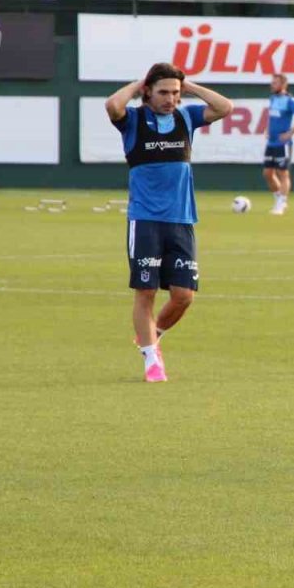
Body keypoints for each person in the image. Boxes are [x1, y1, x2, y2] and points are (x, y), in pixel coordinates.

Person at [105, 62, 233, 382]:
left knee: (183, 296)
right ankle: (151, 360)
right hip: (145, 220)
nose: (170, 99)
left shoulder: (185, 117)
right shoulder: (133, 120)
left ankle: (153, 334)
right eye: (163, 92)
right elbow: (113, 105)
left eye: (175, 93)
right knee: (145, 291)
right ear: (148, 91)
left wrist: (190, 87)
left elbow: (224, 107)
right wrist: (138, 84)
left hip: (181, 219)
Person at [262, 73, 294, 215]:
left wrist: (290, 133)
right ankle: (278, 198)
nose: (272, 85)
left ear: (283, 85)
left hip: (283, 143)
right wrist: (268, 129)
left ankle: (281, 203)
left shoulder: (289, 100)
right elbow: (272, 117)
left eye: (275, 83)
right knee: (268, 173)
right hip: (271, 142)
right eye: (272, 82)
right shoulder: (273, 98)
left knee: (283, 173)